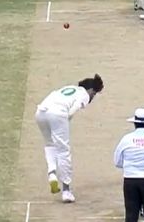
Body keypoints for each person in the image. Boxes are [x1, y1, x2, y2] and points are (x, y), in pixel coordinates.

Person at [35, 74, 104, 203]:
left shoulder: (67, 89)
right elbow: (74, 108)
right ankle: (66, 190)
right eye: (93, 95)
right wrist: (66, 118)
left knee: (49, 144)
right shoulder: (83, 94)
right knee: (63, 150)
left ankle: (52, 174)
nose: (91, 98)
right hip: (58, 114)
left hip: (40, 112)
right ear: (90, 90)